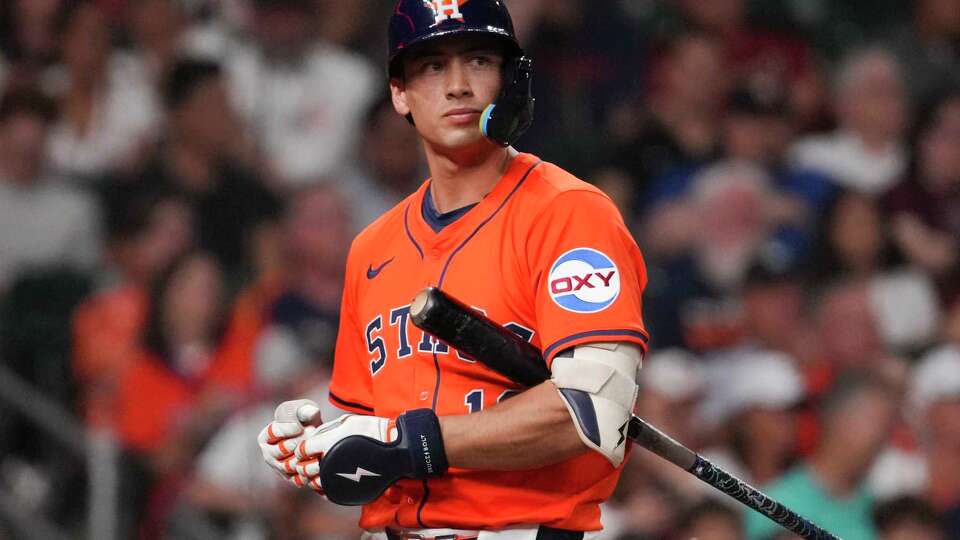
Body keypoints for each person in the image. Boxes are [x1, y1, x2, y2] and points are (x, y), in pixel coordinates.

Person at [258, 1, 649, 538]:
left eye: (480, 61)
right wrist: (320, 449)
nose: (458, 84)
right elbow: (381, 453)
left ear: (511, 80)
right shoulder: (371, 248)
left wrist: (406, 442)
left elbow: (594, 416)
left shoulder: (571, 214)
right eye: (432, 66)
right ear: (400, 94)